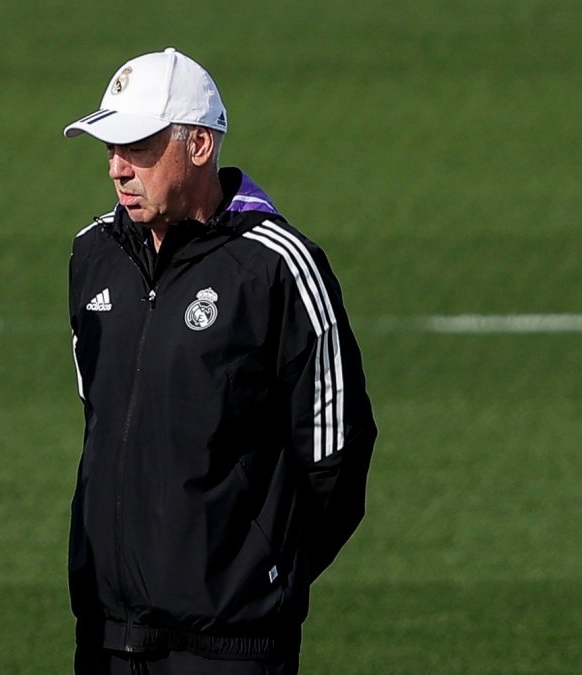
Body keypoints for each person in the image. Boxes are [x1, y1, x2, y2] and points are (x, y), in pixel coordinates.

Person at [62, 48, 377, 674]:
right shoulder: (93, 254)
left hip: (232, 644)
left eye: (138, 146)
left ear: (200, 145)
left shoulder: (277, 266)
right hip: (107, 635)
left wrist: (260, 570)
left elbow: (336, 453)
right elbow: (100, 421)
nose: (118, 168)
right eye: (110, 148)